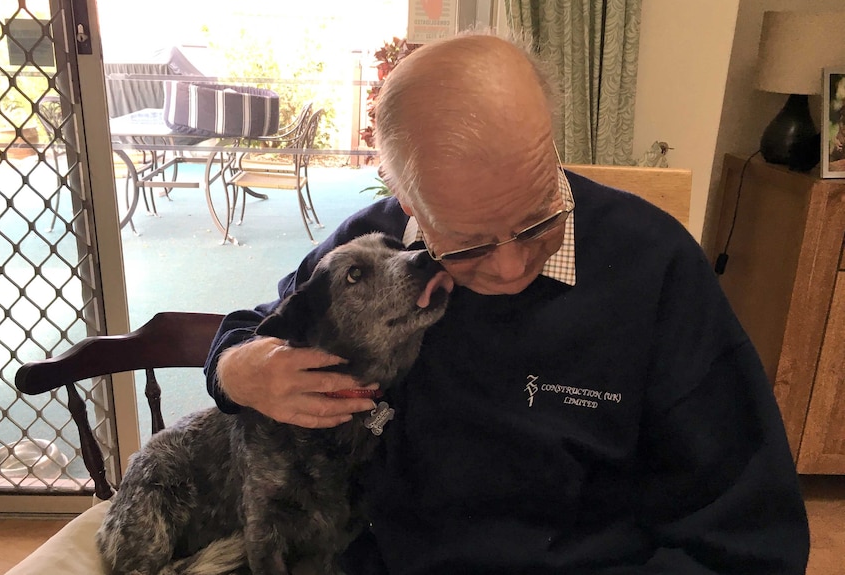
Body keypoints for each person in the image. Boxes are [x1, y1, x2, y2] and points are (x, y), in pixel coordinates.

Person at [205, 33, 810, 574]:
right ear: (408, 203)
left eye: (537, 221)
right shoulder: (379, 247)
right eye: (467, 244)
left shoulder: (657, 266)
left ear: (550, 149)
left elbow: (751, 537)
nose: (511, 266)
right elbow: (260, 328)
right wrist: (236, 371)